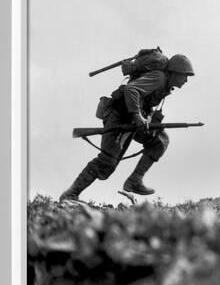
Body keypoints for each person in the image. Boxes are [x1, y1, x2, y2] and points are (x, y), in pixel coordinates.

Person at [59, 54, 194, 201]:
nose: (186, 80)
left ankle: (135, 180)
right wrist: (138, 117)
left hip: (132, 120)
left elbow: (143, 100)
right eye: (185, 76)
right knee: (107, 162)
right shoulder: (159, 78)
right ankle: (71, 194)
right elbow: (131, 90)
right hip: (119, 116)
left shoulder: (165, 84)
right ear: (175, 72)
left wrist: (148, 119)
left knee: (160, 140)